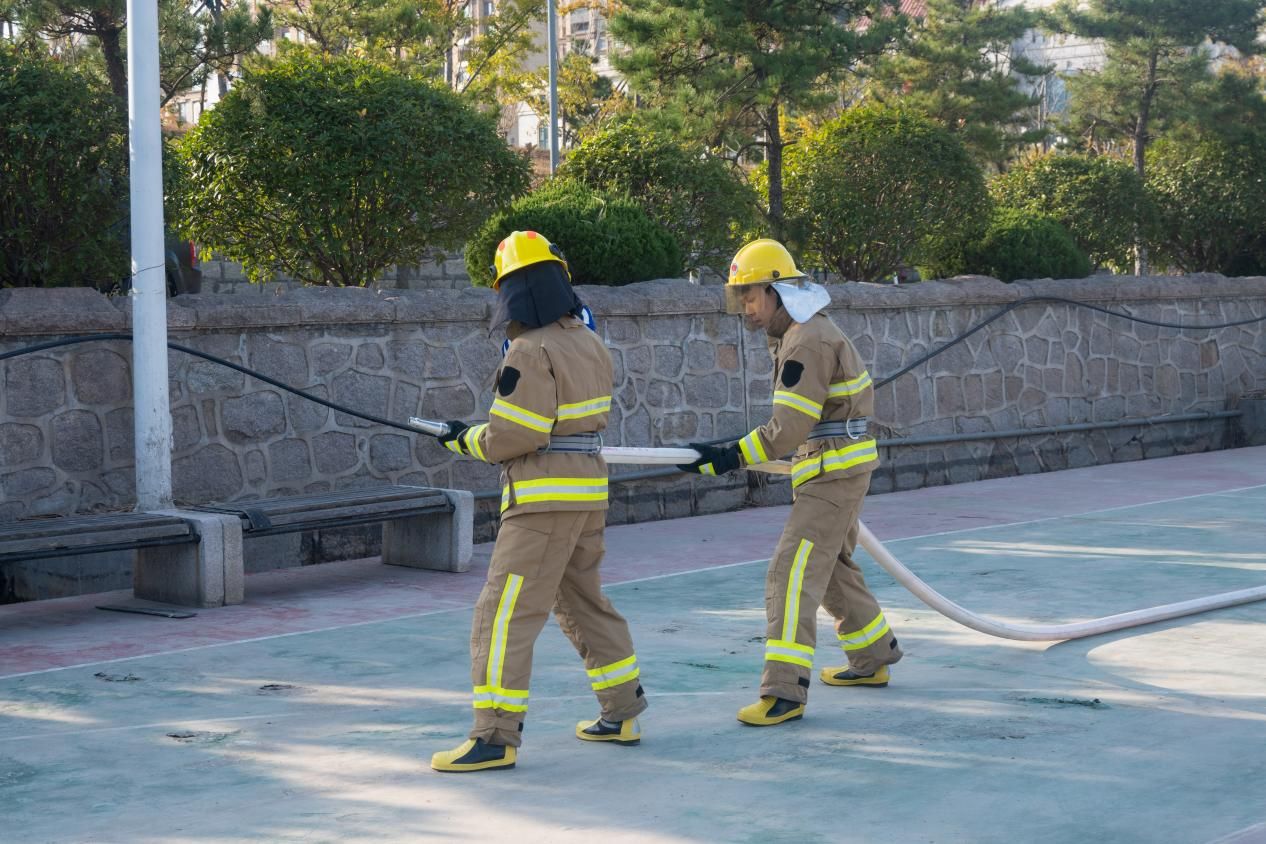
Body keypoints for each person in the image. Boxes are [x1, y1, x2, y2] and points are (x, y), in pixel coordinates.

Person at [430, 230, 647, 772]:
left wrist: (465, 438)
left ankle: (494, 735)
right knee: (581, 601)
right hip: (587, 494)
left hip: (542, 501)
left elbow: (514, 435)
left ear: (512, 292)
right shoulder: (589, 341)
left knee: (502, 613)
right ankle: (622, 710)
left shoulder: (529, 351)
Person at [676, 238, 903, 726]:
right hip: (836, 467)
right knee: (831, 566)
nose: (747, 309)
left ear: (777, 291)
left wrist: (730, 456)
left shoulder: (806, 340)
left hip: (831, 472)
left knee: (790, 572)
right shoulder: (802, 333)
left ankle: (784, 692)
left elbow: (788, 429)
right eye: (742, 298)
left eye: (752, 296)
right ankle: (872, 655)